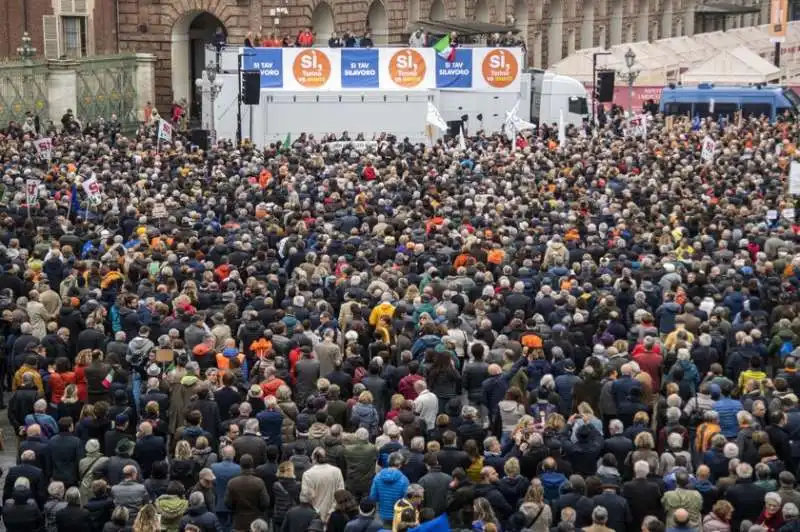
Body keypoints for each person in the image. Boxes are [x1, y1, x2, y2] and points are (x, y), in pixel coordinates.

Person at [224, 454, 269, 532]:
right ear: (252, 465)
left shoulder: (232, 482)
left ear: (240, 465)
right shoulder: (259, 482)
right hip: (255, 523)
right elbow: (265, 503)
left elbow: (227, 503)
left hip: (238, 522)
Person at [302, 447, 345, 523]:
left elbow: (306, 496)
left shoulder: (307, 474)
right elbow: (341, 492)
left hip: (314, 515)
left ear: (313, 458)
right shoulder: (337, 471)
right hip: (333, 513)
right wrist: (333, 509)